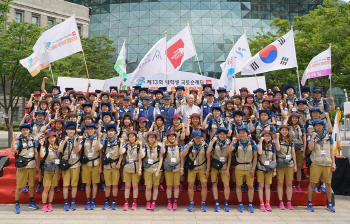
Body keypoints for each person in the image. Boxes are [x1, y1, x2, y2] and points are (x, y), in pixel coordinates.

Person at [306, 119, 336, 213]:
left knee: (328, 184)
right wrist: (312, 138)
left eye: (320, 125)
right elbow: (310, 148)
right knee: (312, 183)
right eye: (316, 125)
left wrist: (333, 163)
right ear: (314, 127)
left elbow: (331, 150)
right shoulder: (312, 136)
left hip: (327, 162)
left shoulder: (329, 136)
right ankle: (310, 203)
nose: (318, 127)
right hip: (316, 162)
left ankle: (329, 204)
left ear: (323, 126)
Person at [11, 123, 39, 214]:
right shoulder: (18, 141)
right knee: (19, 186)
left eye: (27, 130)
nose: (25, 131)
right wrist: (13, 138)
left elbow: (35, 153)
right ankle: (17, 204)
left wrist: (37, 164)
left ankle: (31, 202)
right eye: (23, 130)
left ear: (29, 130)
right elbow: (12, 149)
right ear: (21, 131)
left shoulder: (33, 140)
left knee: (31, 185)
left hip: (31, 164)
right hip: (22, 166)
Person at [230, 126, 257, 213]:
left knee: (250, 186)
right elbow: (228, 151)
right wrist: (232, 142)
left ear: (247, 133)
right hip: (239, 167)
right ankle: (240, 204)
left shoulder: (252, 143)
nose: (241, 134)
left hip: (249, 168)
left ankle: (250, 204)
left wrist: (253, 168)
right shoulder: (237, 143)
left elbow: (255, 156)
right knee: (238, 186)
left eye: (243, 133)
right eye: (240, 133)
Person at [181, 131, 209, 212]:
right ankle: (191, 203)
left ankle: (203, 203)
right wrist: (188, 146)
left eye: (199, 138)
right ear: (192, 138)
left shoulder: (205, 145)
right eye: (196, 138)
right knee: (190, 185)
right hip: (192, 168)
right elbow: (183, 155)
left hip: (202, 167)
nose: (198, 139)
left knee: (204, 185)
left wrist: (207, 170)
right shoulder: (189, 144)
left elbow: (208, 157)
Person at [206, 127, 232, 212]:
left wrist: (228, 169)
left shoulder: (228, 142)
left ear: (226, 135)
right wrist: (213, 141)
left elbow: (230, 157)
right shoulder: (214, 141)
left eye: (224, 134)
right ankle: (217, 203)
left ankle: (226, 203)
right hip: (215, 165)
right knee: (214, 184)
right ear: (218, 134)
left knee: (226, 184)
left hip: (224, 165)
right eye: (220, 134)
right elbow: (208, 151)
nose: (222, 135)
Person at [77, 122, 102, 210]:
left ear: (95, 130)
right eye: (88, 129)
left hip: (96, 163)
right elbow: (77, 151)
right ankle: (88, 201)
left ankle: (93, 201)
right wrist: (79, 141)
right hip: (85, 164)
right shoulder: (84, 139)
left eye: (92, 129)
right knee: (87, 184)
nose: (90, 130)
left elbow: (100, 151)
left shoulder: (98, 138)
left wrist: (100, 166)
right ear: (86, 130)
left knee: (94, 184)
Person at [58, 121, 81, 211]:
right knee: (65, 185)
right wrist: (65, 141)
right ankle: (66, 203)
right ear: (66, 131)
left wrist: (78, 141)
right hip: (66, 166)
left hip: (75, 165)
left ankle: (73, 202)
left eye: (73, 130)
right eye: (69, 130)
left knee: (74, 185)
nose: (71, 131)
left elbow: (77, 151)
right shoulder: (63, 140)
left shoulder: (78, 139)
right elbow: (59, 150)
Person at [120, 131, 144, 211]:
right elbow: (121, 152)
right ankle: (126, 202)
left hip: (135, 168)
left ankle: (134, 202)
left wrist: (140, 169)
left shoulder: (137, 146)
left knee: (135, 186)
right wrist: (121, 143)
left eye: (133, 136)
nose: (131, 138)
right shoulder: (126, 145)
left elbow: (141, 157)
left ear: (136, 137)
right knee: (127, 186)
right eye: (130, 137)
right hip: (127, 168)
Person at [100, 123, 122, 210]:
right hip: (106, 166)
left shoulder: (119, 141)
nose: (110, 133)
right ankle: (107, 202)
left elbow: (121, 154)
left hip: (115, 165)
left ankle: (114, 202)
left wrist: (119, 163)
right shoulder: (104, 141)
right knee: (108, 185)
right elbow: (101, 153)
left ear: (115, 132)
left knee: (115, 185)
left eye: (112, 131)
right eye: (109, 131)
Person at [276, 124, 297, 210]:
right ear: (280, 131)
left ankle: (289, 201)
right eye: (283, 130)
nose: (284, 131)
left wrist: (295, 164)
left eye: (286, 130)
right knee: (280, 183)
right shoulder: (277, 140)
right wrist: (277, 138)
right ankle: (281, 202)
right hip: (280, 163)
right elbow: (277, 149)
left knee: (289, 183)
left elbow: (293, 153)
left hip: (289, 163)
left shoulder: (291, 141)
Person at [161, 130, 184, 210]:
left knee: (176, 186)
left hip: (177, 168)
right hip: (168, 169)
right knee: (169, 186)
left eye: (173, 136)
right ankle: (169, 202)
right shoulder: (166, 146)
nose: (171, 138)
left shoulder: (179, 146)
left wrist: (182, 168)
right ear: (167, 138)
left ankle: (175, 202)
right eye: (169, 136)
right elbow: (162, 152)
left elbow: (181, 158)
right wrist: (163, 143)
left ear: (175, 137)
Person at [39, 132, 60, 212]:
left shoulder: (58, 147)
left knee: (52, 188)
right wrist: (41, 145)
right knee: (46, 188)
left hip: (56, 170)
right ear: (47, 139)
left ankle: (50, 203)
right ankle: (44, 205)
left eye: (53, 138)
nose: (52, 139)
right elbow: (41, 155)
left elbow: (60, 158)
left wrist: (59, 172)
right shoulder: (45, 147)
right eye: (50, 138)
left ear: (55, 138)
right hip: (47, 170)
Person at [256, 131, 276, 212]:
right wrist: (261, 141)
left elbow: (274, 158)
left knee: (268, 186)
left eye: (269, 136)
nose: (267, 137)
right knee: (261, 186)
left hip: (269, 169)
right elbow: (259, 152)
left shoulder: (272, 146)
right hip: (261, 168)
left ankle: (267, 203)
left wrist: (274, 170)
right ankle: (261, 203)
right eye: (265, 136)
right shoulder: (259, 144)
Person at [143, 131, 163, 210]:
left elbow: (161, 159)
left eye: (153, 137)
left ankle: (153, 202)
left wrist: (158, 171)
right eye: (150, 137)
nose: (151, 139)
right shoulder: (145, 147)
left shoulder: (159, 147)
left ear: (155, 138)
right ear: (147, 138)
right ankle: (148, 202)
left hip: (156, 168)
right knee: (148, 187)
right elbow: (141, 156)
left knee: (155, 187)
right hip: (147, 169)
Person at [287, 113, 305, 193]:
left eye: (296, 118)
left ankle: (298, 184)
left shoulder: (301, 127)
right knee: (291, 167)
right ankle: (292, 184)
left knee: (298, 167)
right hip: (290, 149)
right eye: (292, 118)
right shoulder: (287, 127)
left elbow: (304, 140)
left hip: (300, 149)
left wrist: (304, 152)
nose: (294, 120)